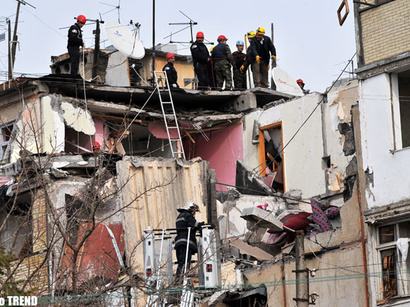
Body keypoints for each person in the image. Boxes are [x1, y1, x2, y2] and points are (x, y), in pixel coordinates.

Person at [174, 201, 204, 281]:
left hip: (179, 242)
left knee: (181, 263)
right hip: (186, 242)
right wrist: (203, 224)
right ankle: (181, 281)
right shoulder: (187, 215)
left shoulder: (180, 216)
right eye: (194, 211)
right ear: (190, 209)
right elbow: (195, 225)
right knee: (185, 263)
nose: (194, 213)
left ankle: (179, 280)